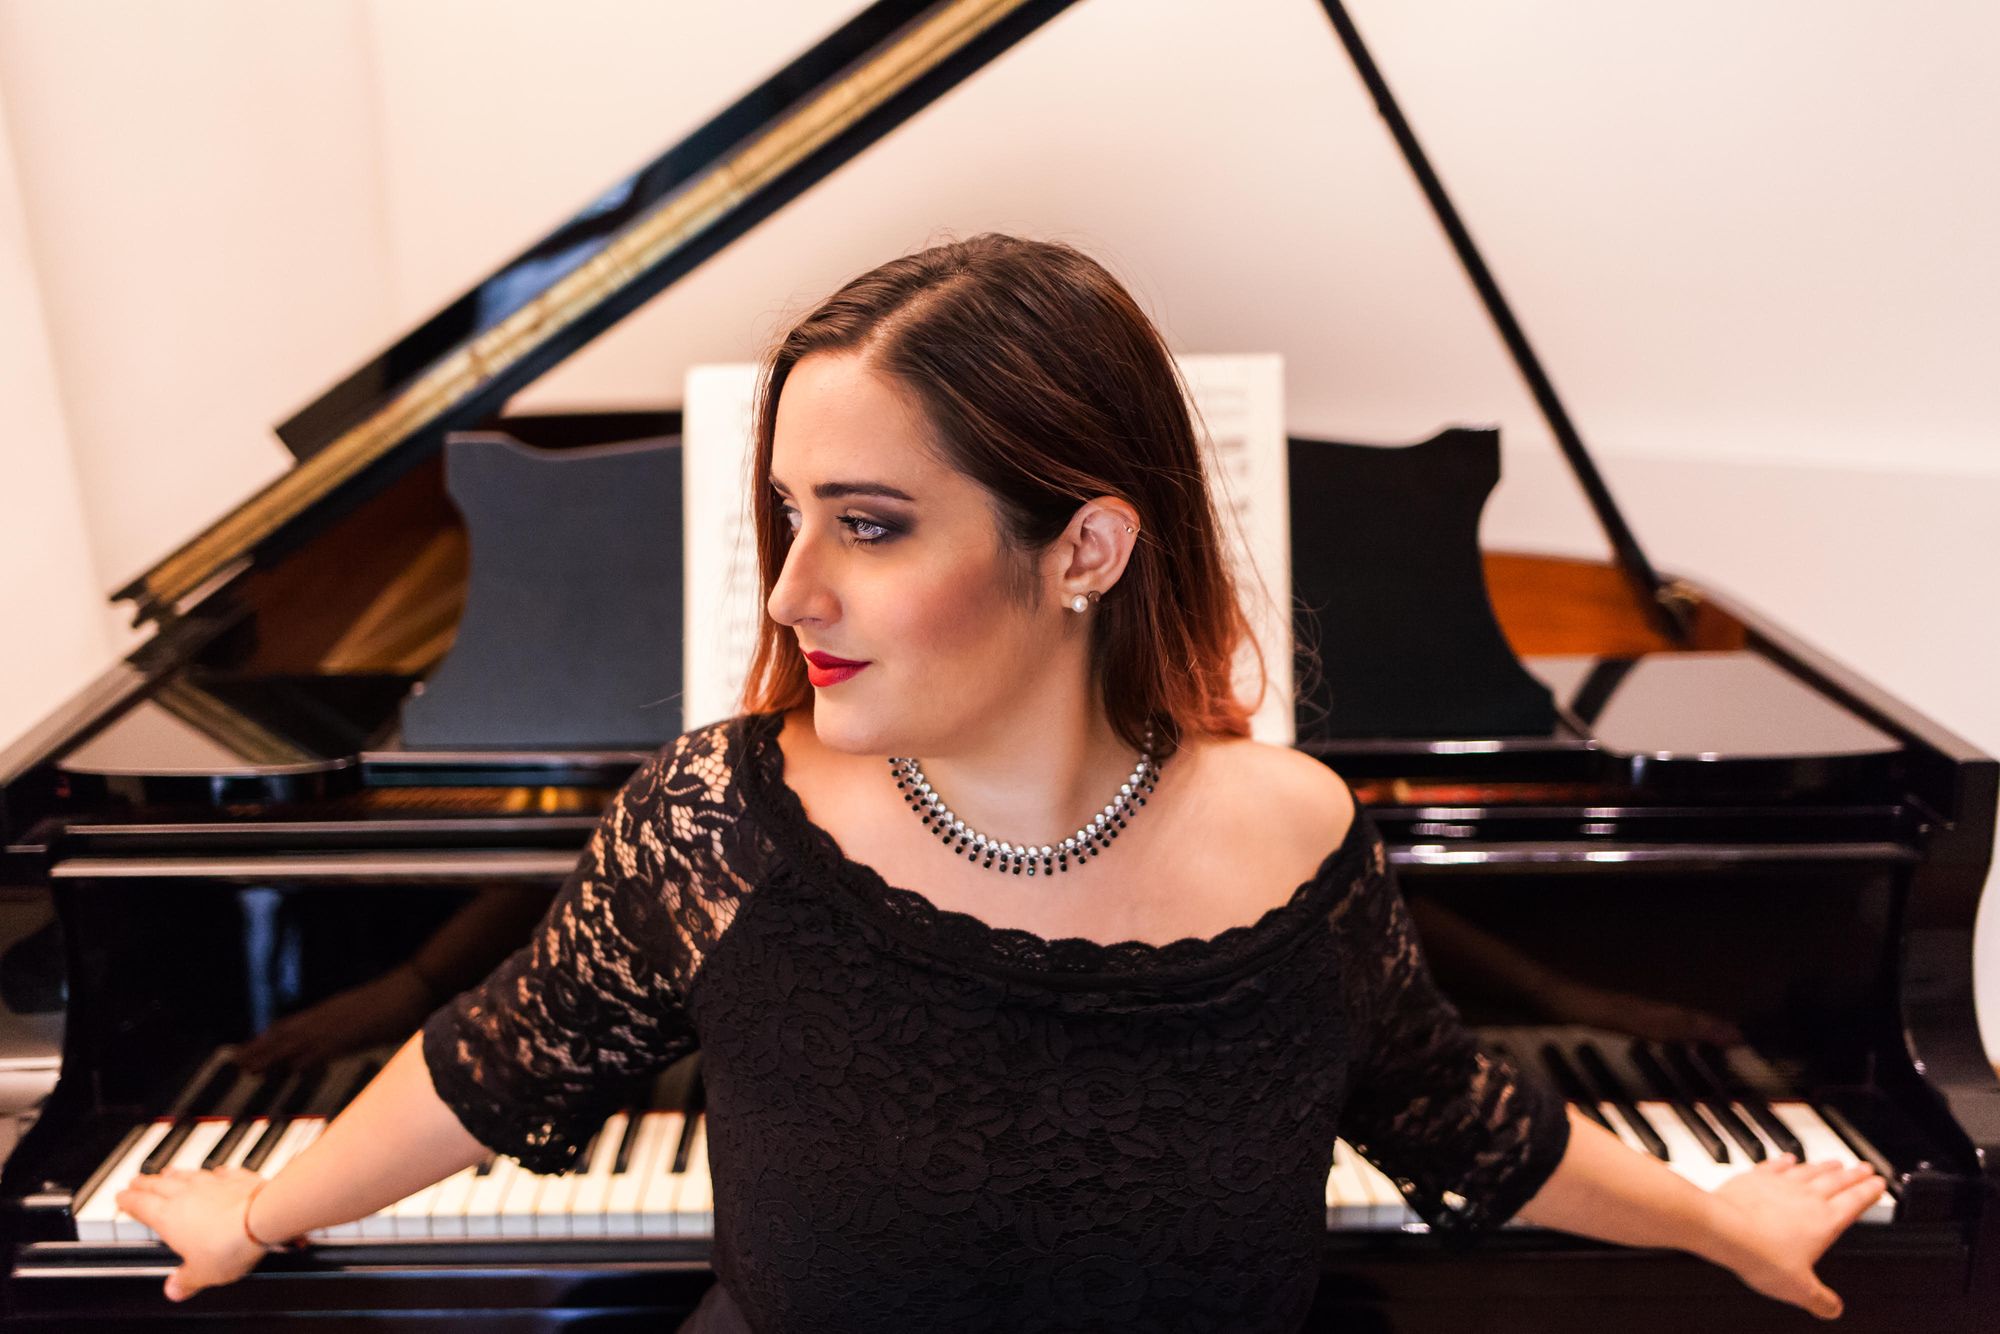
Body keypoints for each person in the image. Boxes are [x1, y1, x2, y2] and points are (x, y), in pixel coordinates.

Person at [118, 234, 1885, 1331]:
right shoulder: (719, 822)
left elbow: (1457, 1116)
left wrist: (1716, 1218)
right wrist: (257, 1206)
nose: (792, 591)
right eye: (789, 515)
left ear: (1086, 547)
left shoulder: (1300, 836)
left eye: (871, 525)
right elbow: (501, 1059)